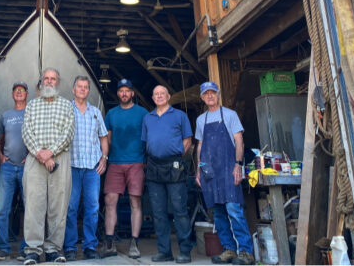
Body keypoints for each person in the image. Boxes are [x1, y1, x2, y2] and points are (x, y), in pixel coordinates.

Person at [195, 82, 254, 266]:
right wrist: (198, 169)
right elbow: (200, 146)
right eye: (206, 94)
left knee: (234, 210)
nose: (210, 96)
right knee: (218, 212)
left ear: (218, 95)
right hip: (210, 172)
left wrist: (238, 165)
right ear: (202, 98)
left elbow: (239, 141)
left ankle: (246, 252)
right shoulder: (200, 120)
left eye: (213, 93)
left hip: (228, 169)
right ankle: (228, 249)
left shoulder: (230, 114)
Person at [21, 67, 75, 265]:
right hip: (36, 160)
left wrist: (50, 152)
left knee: (58, 207)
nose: (50, 82)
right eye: (46, 78)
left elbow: (68, 133)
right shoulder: (32, 105)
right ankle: (33, 250)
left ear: (58, 83)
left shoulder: (67, 106)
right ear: (41, 82)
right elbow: (26, 132)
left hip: (60, 158)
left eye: (53, 79)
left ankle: (53, 249)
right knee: (34, 206)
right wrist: (41, 155)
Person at [142, 85, 194, 264]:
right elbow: (146, 141)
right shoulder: (147, 118)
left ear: (168, 96)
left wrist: (178, 156)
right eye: (156, 94)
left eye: (162, 94)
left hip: (174, 164)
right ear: (153, 97)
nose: (159, 96)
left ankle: (185, 251)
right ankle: (164, 252)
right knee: (158, 212)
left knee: (179, 211)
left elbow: (187, 140)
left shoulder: (180, 115)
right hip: (154, 165)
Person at [102, 78, 148, 259]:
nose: (124, 93)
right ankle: (109, 242)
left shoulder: (143, 113)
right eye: (121, 90)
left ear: (132, 93)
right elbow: (107, 138)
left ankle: (134, 243)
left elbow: (148, 137)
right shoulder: (111, 114)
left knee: (135, 202)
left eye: (127, 90)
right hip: (115, 162)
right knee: (110, 200)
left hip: (137, 162)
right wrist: (107, 157)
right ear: (118, 93)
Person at [63, 75, 108, 261]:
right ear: (73, 90)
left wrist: (104, 158)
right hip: (71, 166)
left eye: (86, 87)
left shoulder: (95, 112)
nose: (82, 89)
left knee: (92, 207)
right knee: (71, 208)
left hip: (92, 168)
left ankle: (90, 246)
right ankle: (70, 247)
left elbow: (103, 137)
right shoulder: (65, 110)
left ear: (89, 90)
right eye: (79, 86)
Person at [0, 82, 30, 261]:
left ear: (27, 94)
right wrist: (0, 155)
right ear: (12, 94)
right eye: (16, 90)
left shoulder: (31, 113)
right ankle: (3, 248)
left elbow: (38, 137)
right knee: (1, 209)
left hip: (27, 168)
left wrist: (31, 156)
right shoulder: (6, 115)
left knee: (29, 209)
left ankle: (26, 248)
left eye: (22, 90)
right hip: (7, 167)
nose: (19, 92)